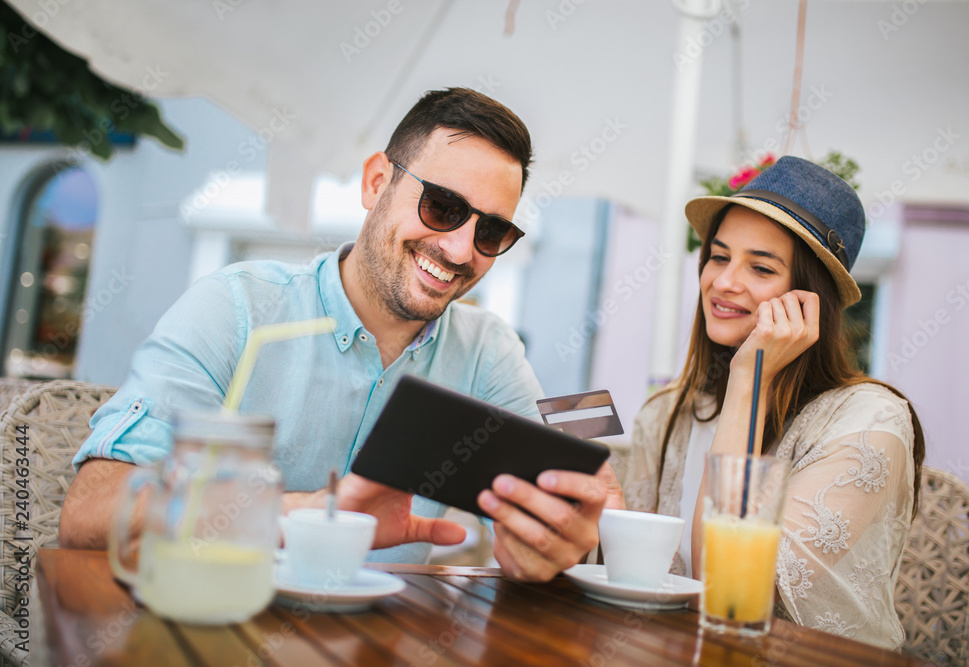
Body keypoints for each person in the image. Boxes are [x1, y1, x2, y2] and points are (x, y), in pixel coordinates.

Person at [59, 87, 610, 583]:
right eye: (442, 207)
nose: (462, 250)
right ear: (376, 183)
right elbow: (87, 514)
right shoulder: (235, 306)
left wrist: (564, 538)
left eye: (492, 230)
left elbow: (589, 465)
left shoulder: (490, 348)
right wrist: (301, 515)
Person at [615, 156, 925, 649]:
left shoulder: (868, 420)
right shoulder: (664, 413)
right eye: (718, 257)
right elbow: (628, 576)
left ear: (809, 298)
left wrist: (748, 380)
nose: (724, 281)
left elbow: (729, 588)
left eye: (760, 267)